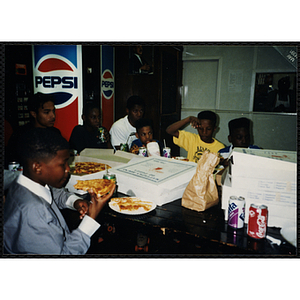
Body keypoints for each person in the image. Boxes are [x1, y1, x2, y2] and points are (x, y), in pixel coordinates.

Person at [3, 128, 115, 254]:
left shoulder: (24, 184)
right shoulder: (32, 212)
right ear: (37, 167)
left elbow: (52, 192)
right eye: (63, 164)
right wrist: (91, 218)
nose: (68, 169)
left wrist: (74, 201)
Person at [5, 92, 60, 167]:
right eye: (46, 112)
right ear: (34, 114)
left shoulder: (55, 133)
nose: (53, 116)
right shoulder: (20, 135)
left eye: (53, 111)